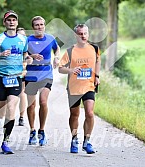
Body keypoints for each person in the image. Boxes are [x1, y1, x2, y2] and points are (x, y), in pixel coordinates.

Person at [0, 10, 31, 154]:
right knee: (1, 109)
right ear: (4, 23)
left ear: (17, 23)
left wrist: (27, 60)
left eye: (14, 20)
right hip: (0, 77)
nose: (11, 22)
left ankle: (6, 141)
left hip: (16, 77)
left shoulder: (23, 40)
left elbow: (25, 54)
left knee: (11, 108)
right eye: (8, 20)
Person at [58, 24, 101, 154]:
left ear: (88, 34)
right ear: (76, 35)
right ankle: (74, 139)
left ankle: (87, 141)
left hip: (89, 85)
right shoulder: (70, 51)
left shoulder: (94, 48)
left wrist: (97, 76)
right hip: (74, 88)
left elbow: (98, 60)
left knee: (90, 113)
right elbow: (60, 68)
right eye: (80, 34)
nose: (83, 36)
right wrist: (71, 70)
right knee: (74, 115)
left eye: (85, 33)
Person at [25, 16, 60, 146]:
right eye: (36, 25)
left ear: (44, 26)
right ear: (33, 27)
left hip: (46, 73)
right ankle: (32, 130)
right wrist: (31, 56)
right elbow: (23, 55)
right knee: (32, 105)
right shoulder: (27, 40)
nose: (39, 27)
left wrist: (56, 57)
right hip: (31, 74)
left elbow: (57, 48)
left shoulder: (50, 38)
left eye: (41, 24)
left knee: (43, 101)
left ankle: (42, 130)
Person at [16, 27, 27, 126]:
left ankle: (21, 117)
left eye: (23, 35)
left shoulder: (27, 46)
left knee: (22, 92)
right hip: (9, 72)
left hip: (22, 72)